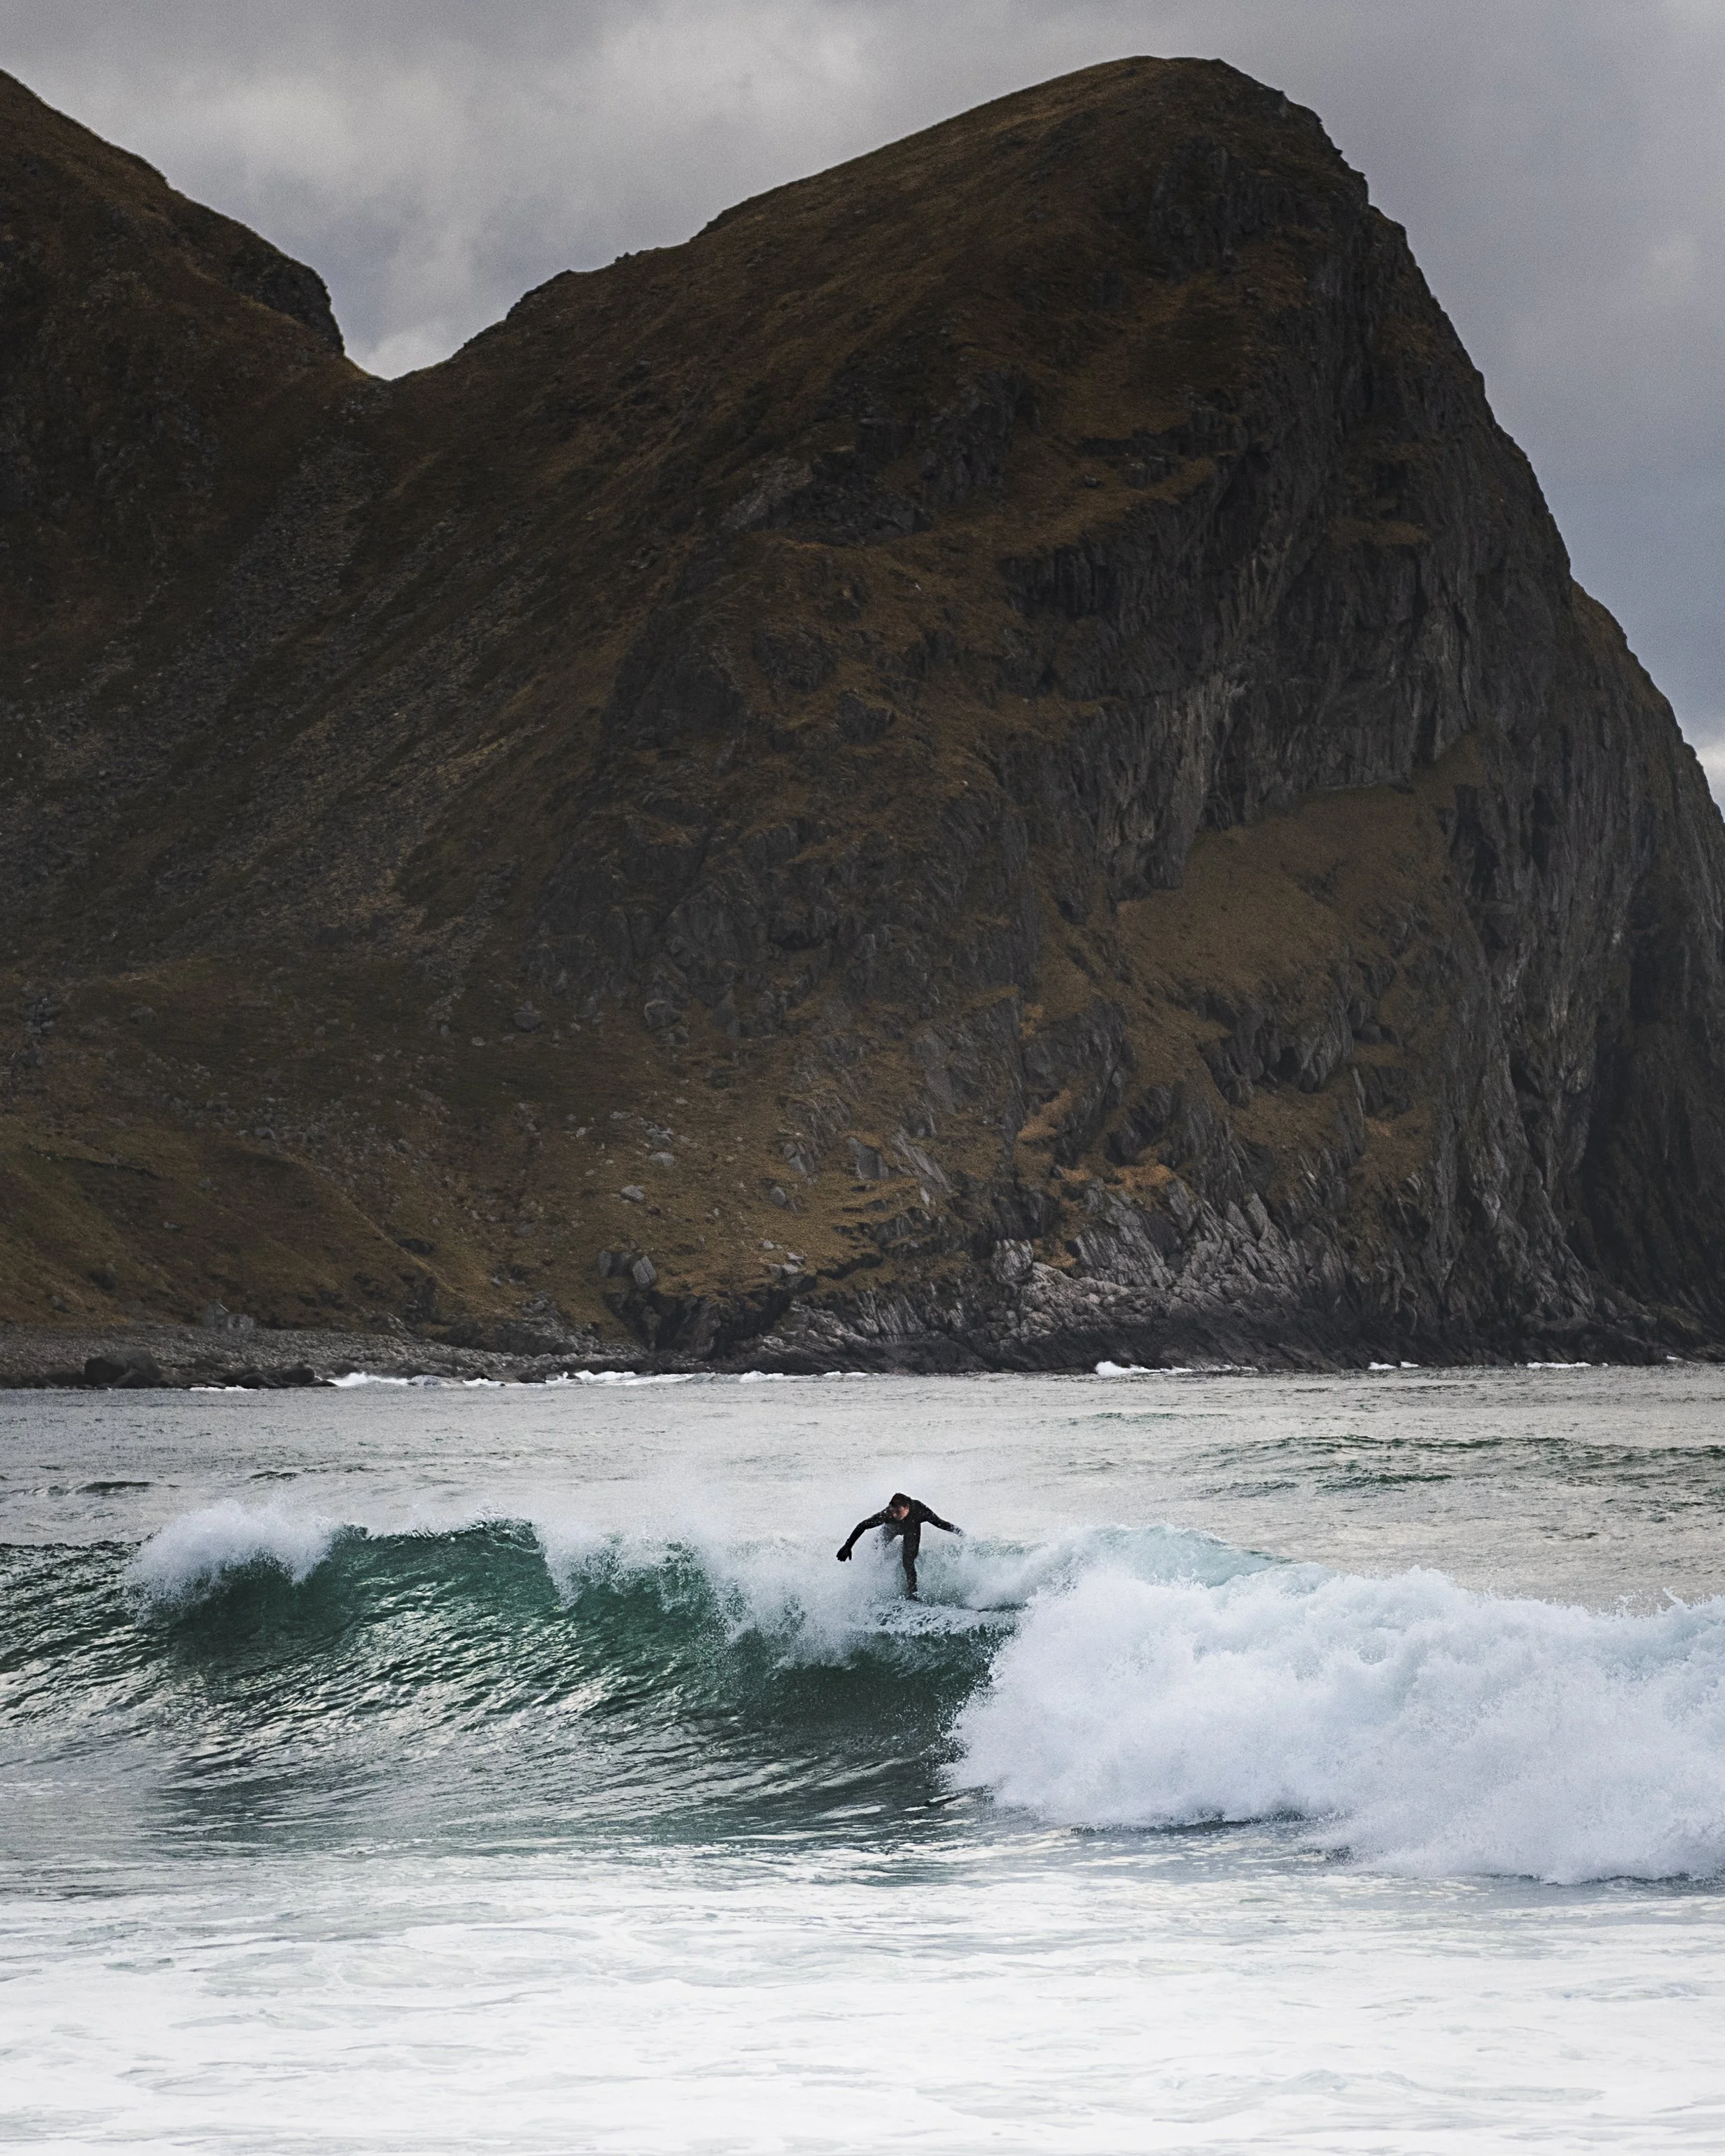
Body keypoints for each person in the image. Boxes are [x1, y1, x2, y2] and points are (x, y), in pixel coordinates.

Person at [835, 1492, 960, 1598]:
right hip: (891, 1530)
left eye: (898, 1512)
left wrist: (960, 1532)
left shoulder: (920, 1511)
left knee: (908, 1561)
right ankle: (870, 1580)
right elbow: (863, 1525)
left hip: (912, 1530)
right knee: (876, 1549)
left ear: (907, 1507)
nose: (894, 1515)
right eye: (892, 1511)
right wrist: (848, 1546)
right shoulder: (887, 1515)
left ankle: (912, 1594)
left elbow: (940, 1523)